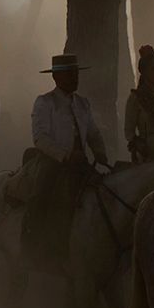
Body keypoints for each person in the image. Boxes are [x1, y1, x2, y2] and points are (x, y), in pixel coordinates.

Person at [18, 54, 110, 267]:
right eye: (70, 74)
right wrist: (65, 154)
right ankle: (31, 244)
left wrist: (100, 151)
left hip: (79, 164)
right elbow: (40, 138)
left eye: (76, 73)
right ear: (57, 77)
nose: (75, 78)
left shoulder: (83, 103)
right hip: (52, 162)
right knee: (40, 195)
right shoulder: (45, 102)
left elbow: (93, 133)